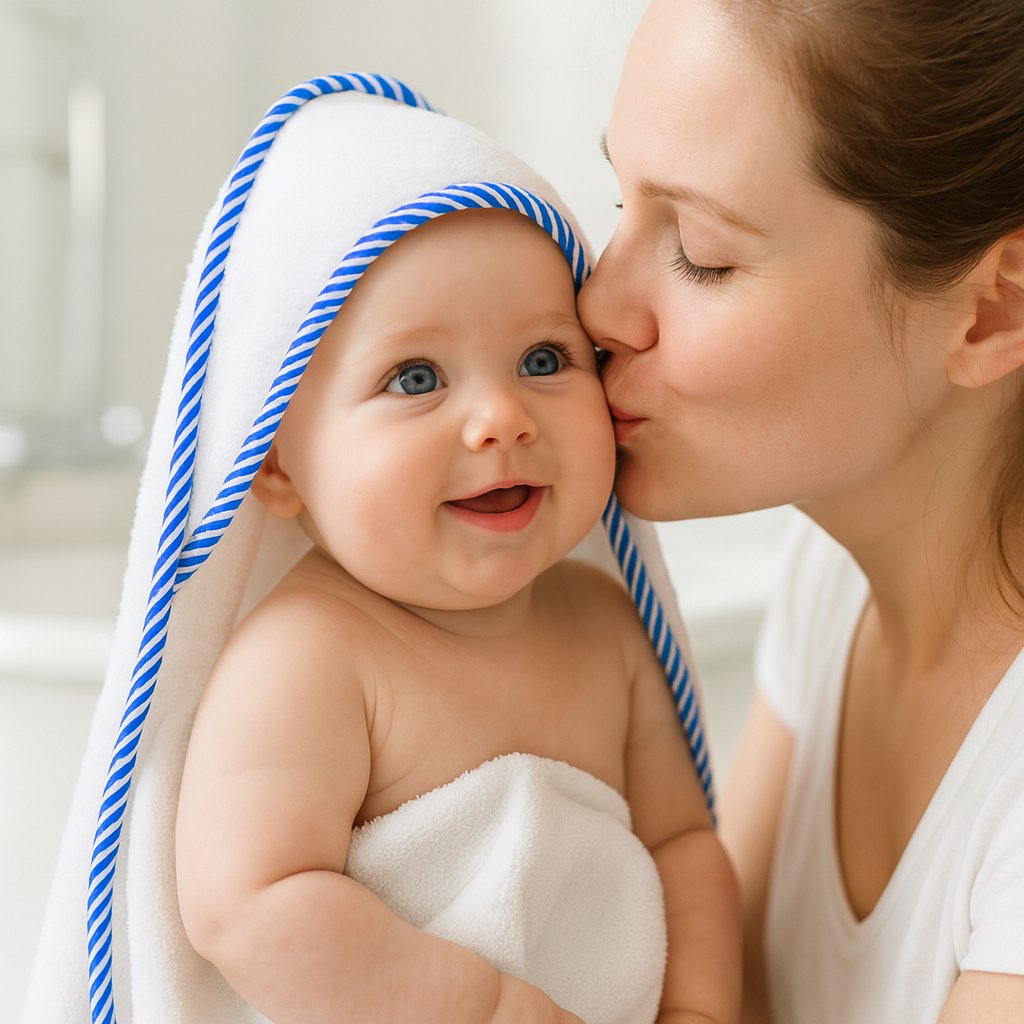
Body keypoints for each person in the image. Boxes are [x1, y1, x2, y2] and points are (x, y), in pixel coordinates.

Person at [172, 115, 741, 1023]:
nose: (501, 418)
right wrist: (483, 1007)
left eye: (544, 359)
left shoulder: (605, 622)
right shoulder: (306, 657)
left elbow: (682, 847)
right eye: (415, 378)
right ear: (272, 461)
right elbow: (247, 903)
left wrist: (699, 1012)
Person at [577, 0, 1024, 1021]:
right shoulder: (833, 581)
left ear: (994, 306)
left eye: (698, 251)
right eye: (618, 207)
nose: (599, 305)